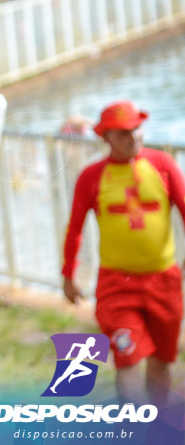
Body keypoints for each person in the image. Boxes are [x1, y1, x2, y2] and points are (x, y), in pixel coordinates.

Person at [61, 100, 185, 406]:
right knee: (127, 359)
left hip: (163, 281)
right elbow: (75, 227)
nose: (134, 138)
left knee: (163, 360)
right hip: (117, 285)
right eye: (123, 133)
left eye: (137, 129)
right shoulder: (91, 177)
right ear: (105, 138)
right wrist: (68, 274)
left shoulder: (163, 164)